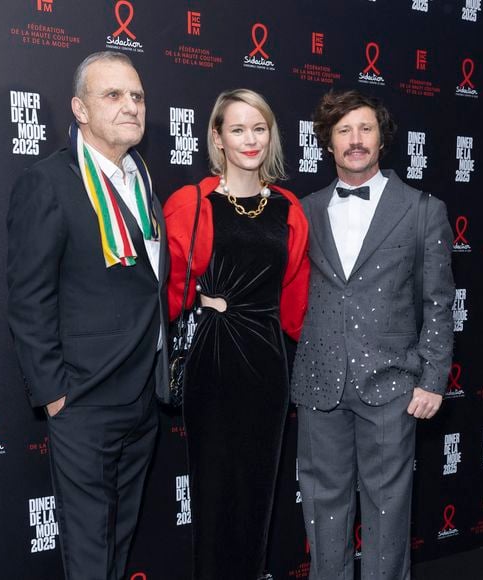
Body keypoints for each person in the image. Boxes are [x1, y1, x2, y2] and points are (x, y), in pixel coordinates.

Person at [7, 51, 168, 580]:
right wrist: (56, 395)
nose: (131, 106)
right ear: (79, 109)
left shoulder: (142, 178)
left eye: (138, 96)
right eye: (113, 95)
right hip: (84, 400)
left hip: (144, 396)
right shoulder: (48, 182)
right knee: (90, 550)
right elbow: (29, 300)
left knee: (119, 542)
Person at [291, 90, 454, 580]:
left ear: (382, 139)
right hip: (319, 384)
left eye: (365, 128)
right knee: (322, 512)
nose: (355, 140)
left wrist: (434, 377)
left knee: (387, 513)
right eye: (343, 131)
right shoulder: (305, 210)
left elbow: (439, 301)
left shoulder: (423, 209)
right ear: (327, 143)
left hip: (392, 385)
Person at [164, 89, 310, 580]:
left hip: (268, 362)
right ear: (218, 138)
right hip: (214, 357)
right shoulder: (194, 202)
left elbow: (296, 303)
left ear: (271, 136)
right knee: (214, 488)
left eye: (260, 128)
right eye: (238, 129)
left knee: (258, 489)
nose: (250, 139)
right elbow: (168, 290)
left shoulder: (289, 208)